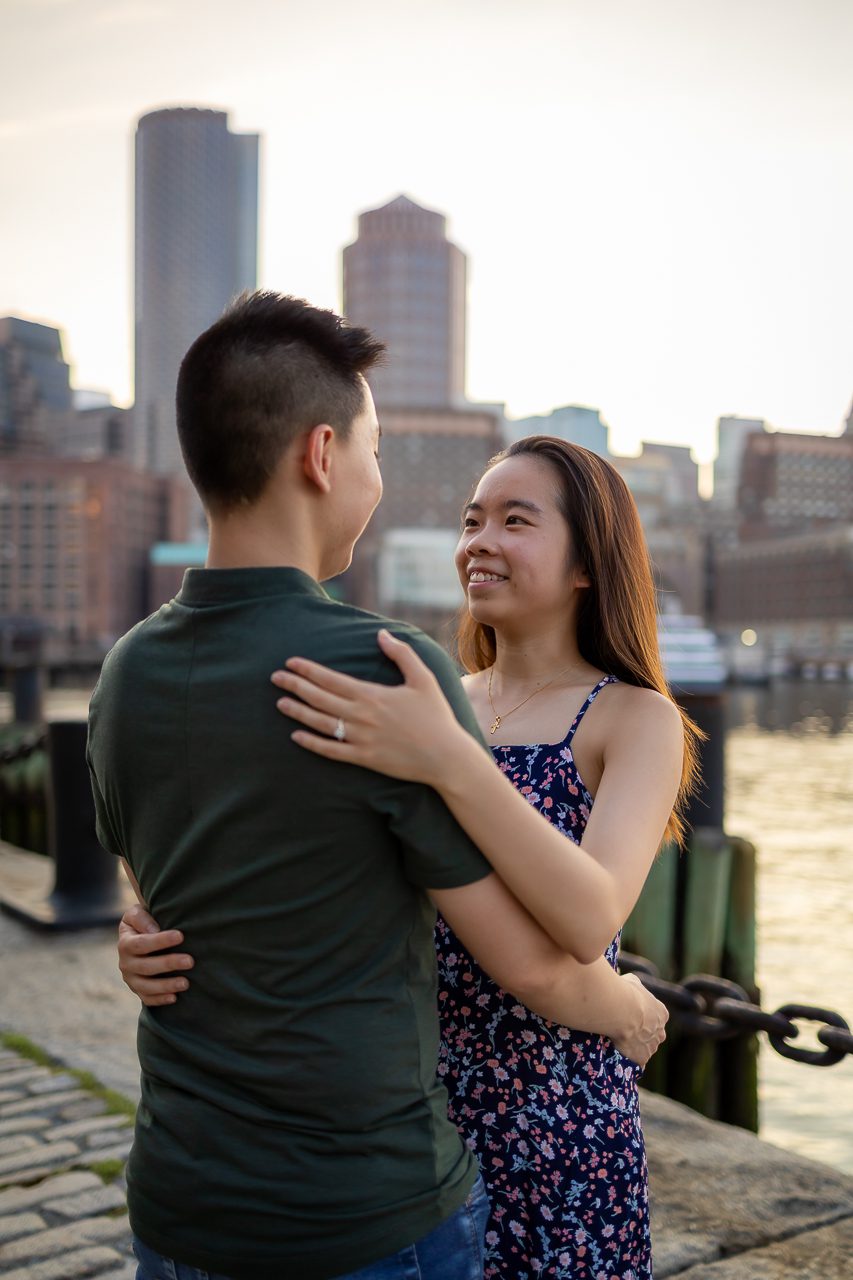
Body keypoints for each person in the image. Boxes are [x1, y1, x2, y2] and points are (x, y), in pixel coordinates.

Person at [94, 292, 669, 1280]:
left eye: (515, 520)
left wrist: (447, 757)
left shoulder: (127, 668)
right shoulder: (398, 676)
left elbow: (576, 917)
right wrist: (141, 931)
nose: (475, 537)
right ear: (322, 455)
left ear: (588, 559)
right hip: (394, 1150)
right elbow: (533, 959)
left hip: (532, 1118)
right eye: (471, 515)